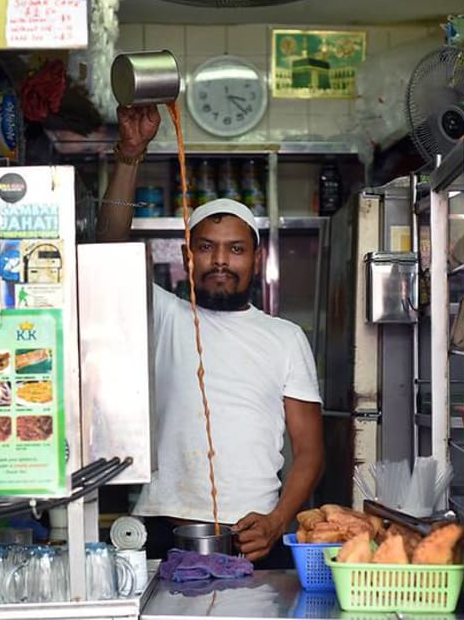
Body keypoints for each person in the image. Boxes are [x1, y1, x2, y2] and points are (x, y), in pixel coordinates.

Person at [96, 105, 324, 566]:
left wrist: (278, 520)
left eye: (236, 249)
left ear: (256, 261)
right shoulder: (163, 315)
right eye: (207, 247)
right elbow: (107, 255)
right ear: (187, 256)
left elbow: (310, 452)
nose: (221, 260)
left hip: (253, 531)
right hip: (162, 526)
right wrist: (129, 156)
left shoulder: (285, 338)